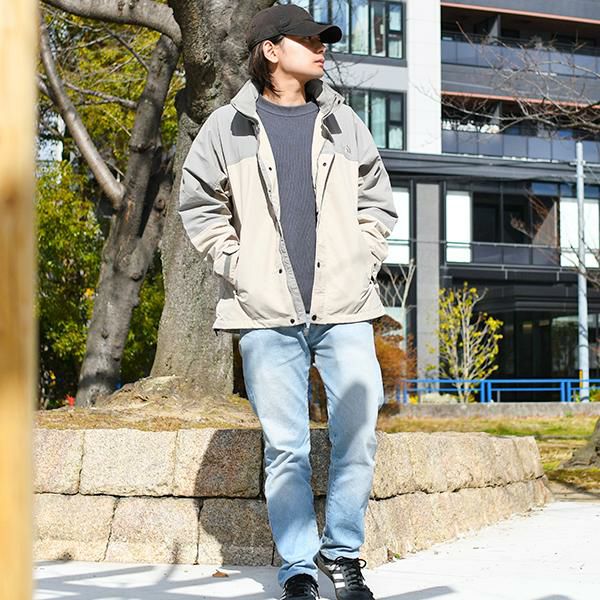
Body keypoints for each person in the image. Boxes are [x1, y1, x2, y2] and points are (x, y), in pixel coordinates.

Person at [178, 4, 398, 600]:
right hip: (265, 313)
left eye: (322, 40)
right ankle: (298, 567)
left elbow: (377, 200)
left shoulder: (343, 122)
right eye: (308, 39)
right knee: (286, 448)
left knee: (359, 436)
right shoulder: (226, 126)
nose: (321, 47)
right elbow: (198, 204)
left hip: (345, 308)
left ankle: (343, 554)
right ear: (271, 50)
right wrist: (236, 263)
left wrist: (364, 256)